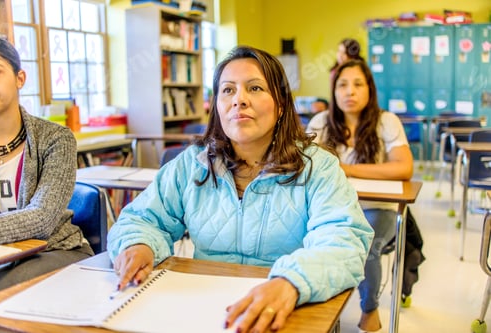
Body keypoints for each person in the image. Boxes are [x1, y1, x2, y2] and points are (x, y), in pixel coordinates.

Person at [107, 45, 374, 333]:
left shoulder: (317, 167)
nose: (239, 100)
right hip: (205, 311)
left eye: (255, 88)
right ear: (217, 106)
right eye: (228, 90)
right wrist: (138, 244)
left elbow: (344, 241)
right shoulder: (193, 164)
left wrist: (291, 283)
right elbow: (142, 219)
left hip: (288, 310)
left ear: (281, 104)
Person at [307, 59, 414, 333]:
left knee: (365, 245)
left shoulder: (386, 121)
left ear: (370, 89)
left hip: (378, 207)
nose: (349, 92)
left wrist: (348, 169)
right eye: (342, 85)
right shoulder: (321, 122)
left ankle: (370, 308)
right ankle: (319, 310)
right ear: (333, 91)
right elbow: (305, 162)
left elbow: (403, 167)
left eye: (357, 84)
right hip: (329, 207)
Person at [0, 33, 93, 293]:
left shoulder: (55, 138)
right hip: (0, 254)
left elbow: (41, 220)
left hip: (54, 250)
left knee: (0, 292)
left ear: (19, 78)